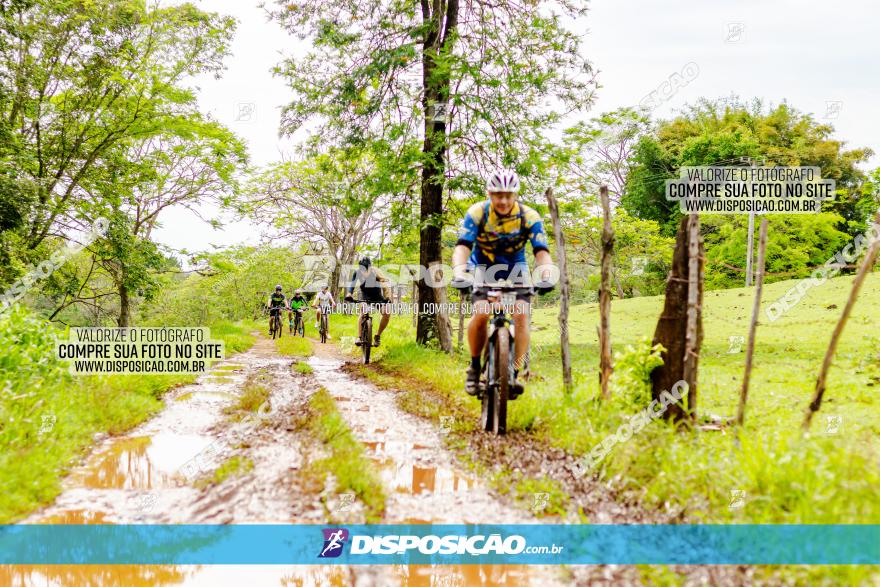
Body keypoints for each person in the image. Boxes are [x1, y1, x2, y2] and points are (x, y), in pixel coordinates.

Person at [451, 169, 555, 396]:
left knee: (521, 315)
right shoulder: (477, 213)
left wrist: (546, 275)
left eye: (508, 195)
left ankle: (514, 372)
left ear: (516, 195)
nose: (503, 200)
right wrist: (460, 272)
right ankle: (474, 367)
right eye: (498, 195)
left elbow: (541, 253)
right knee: (480, 312)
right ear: (489, 193)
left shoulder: (529, 217)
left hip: (516, 269)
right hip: (482, 267)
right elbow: (462, 248)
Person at [344, 257, 392, 347]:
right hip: (365, 296)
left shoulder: (376, 271)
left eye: (367, 270)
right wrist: (349, 294)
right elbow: (352, 284)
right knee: (362, 312)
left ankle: (377, 336)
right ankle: (359, 337)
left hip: (377, 297)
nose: (364, 272)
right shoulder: (357, 272)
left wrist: (387, 298)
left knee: (387, 314)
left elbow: (385, 286)